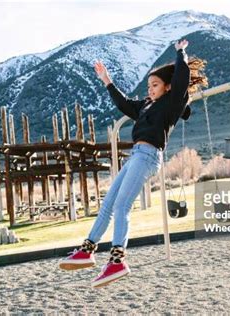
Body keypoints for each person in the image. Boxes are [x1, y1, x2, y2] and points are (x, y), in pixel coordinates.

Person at [59, 39, 207, 288]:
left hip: (148, 155)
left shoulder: (172, 104)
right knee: (108, 204)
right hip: (135, 155)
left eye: (155, 85)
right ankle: (87, 251)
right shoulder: (147, 105)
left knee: (122, 207)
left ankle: (117, 261)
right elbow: (124, 104)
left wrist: (181, 52)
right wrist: (107, 81)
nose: (150, 89)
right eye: (148, 85)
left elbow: (182, 78)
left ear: (168, 87)